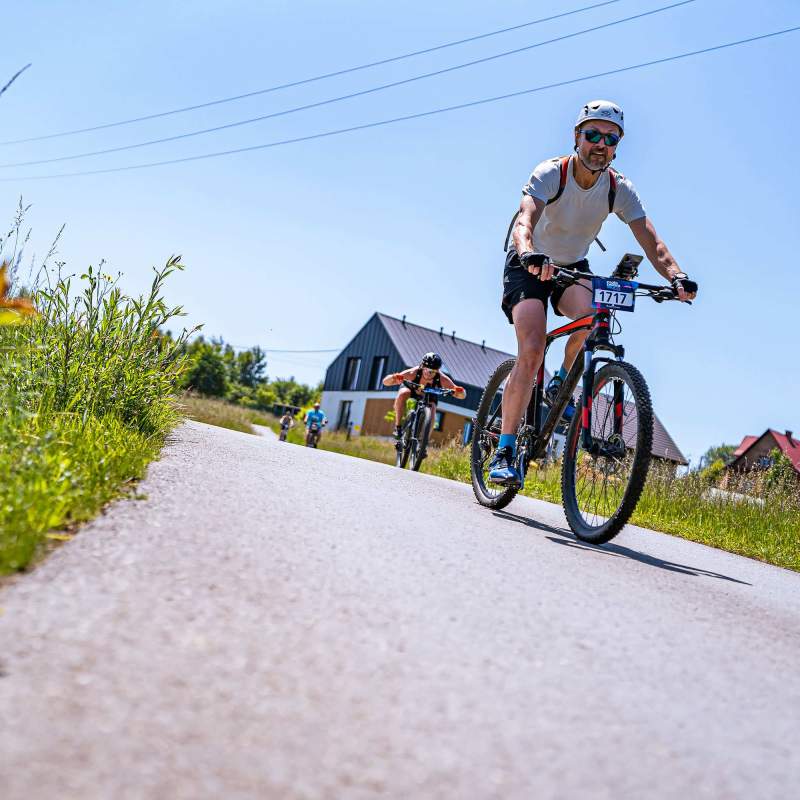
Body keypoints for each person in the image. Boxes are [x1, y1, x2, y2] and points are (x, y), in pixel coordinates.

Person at [490, 100, 698, 484]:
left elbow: (652, 241)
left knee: (591, 321)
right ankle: (503, 450)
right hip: (529, 264)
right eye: (592, 135)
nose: (600, 144)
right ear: (577, 137)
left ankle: (561, 381)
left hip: (571, 267)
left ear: (617, 145)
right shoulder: (552, 173)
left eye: (610, 137)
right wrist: (529, 253)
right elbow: (525, 220)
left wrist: (677, 276)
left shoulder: (618, 187)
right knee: (533, 349)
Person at [382, 352, 466, 440]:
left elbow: (461, 395)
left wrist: (459, 391)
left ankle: (424, 442)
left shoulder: (442, 379)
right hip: (412, 389)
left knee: (432, 408)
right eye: (426, 369)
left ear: (437, 370)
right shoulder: (412, 372)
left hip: (429, 394)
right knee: (403, 393)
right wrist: (394, 377)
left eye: (432, 371)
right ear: (422, 366)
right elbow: (385, 382)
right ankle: (398, 426)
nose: (428, 373)